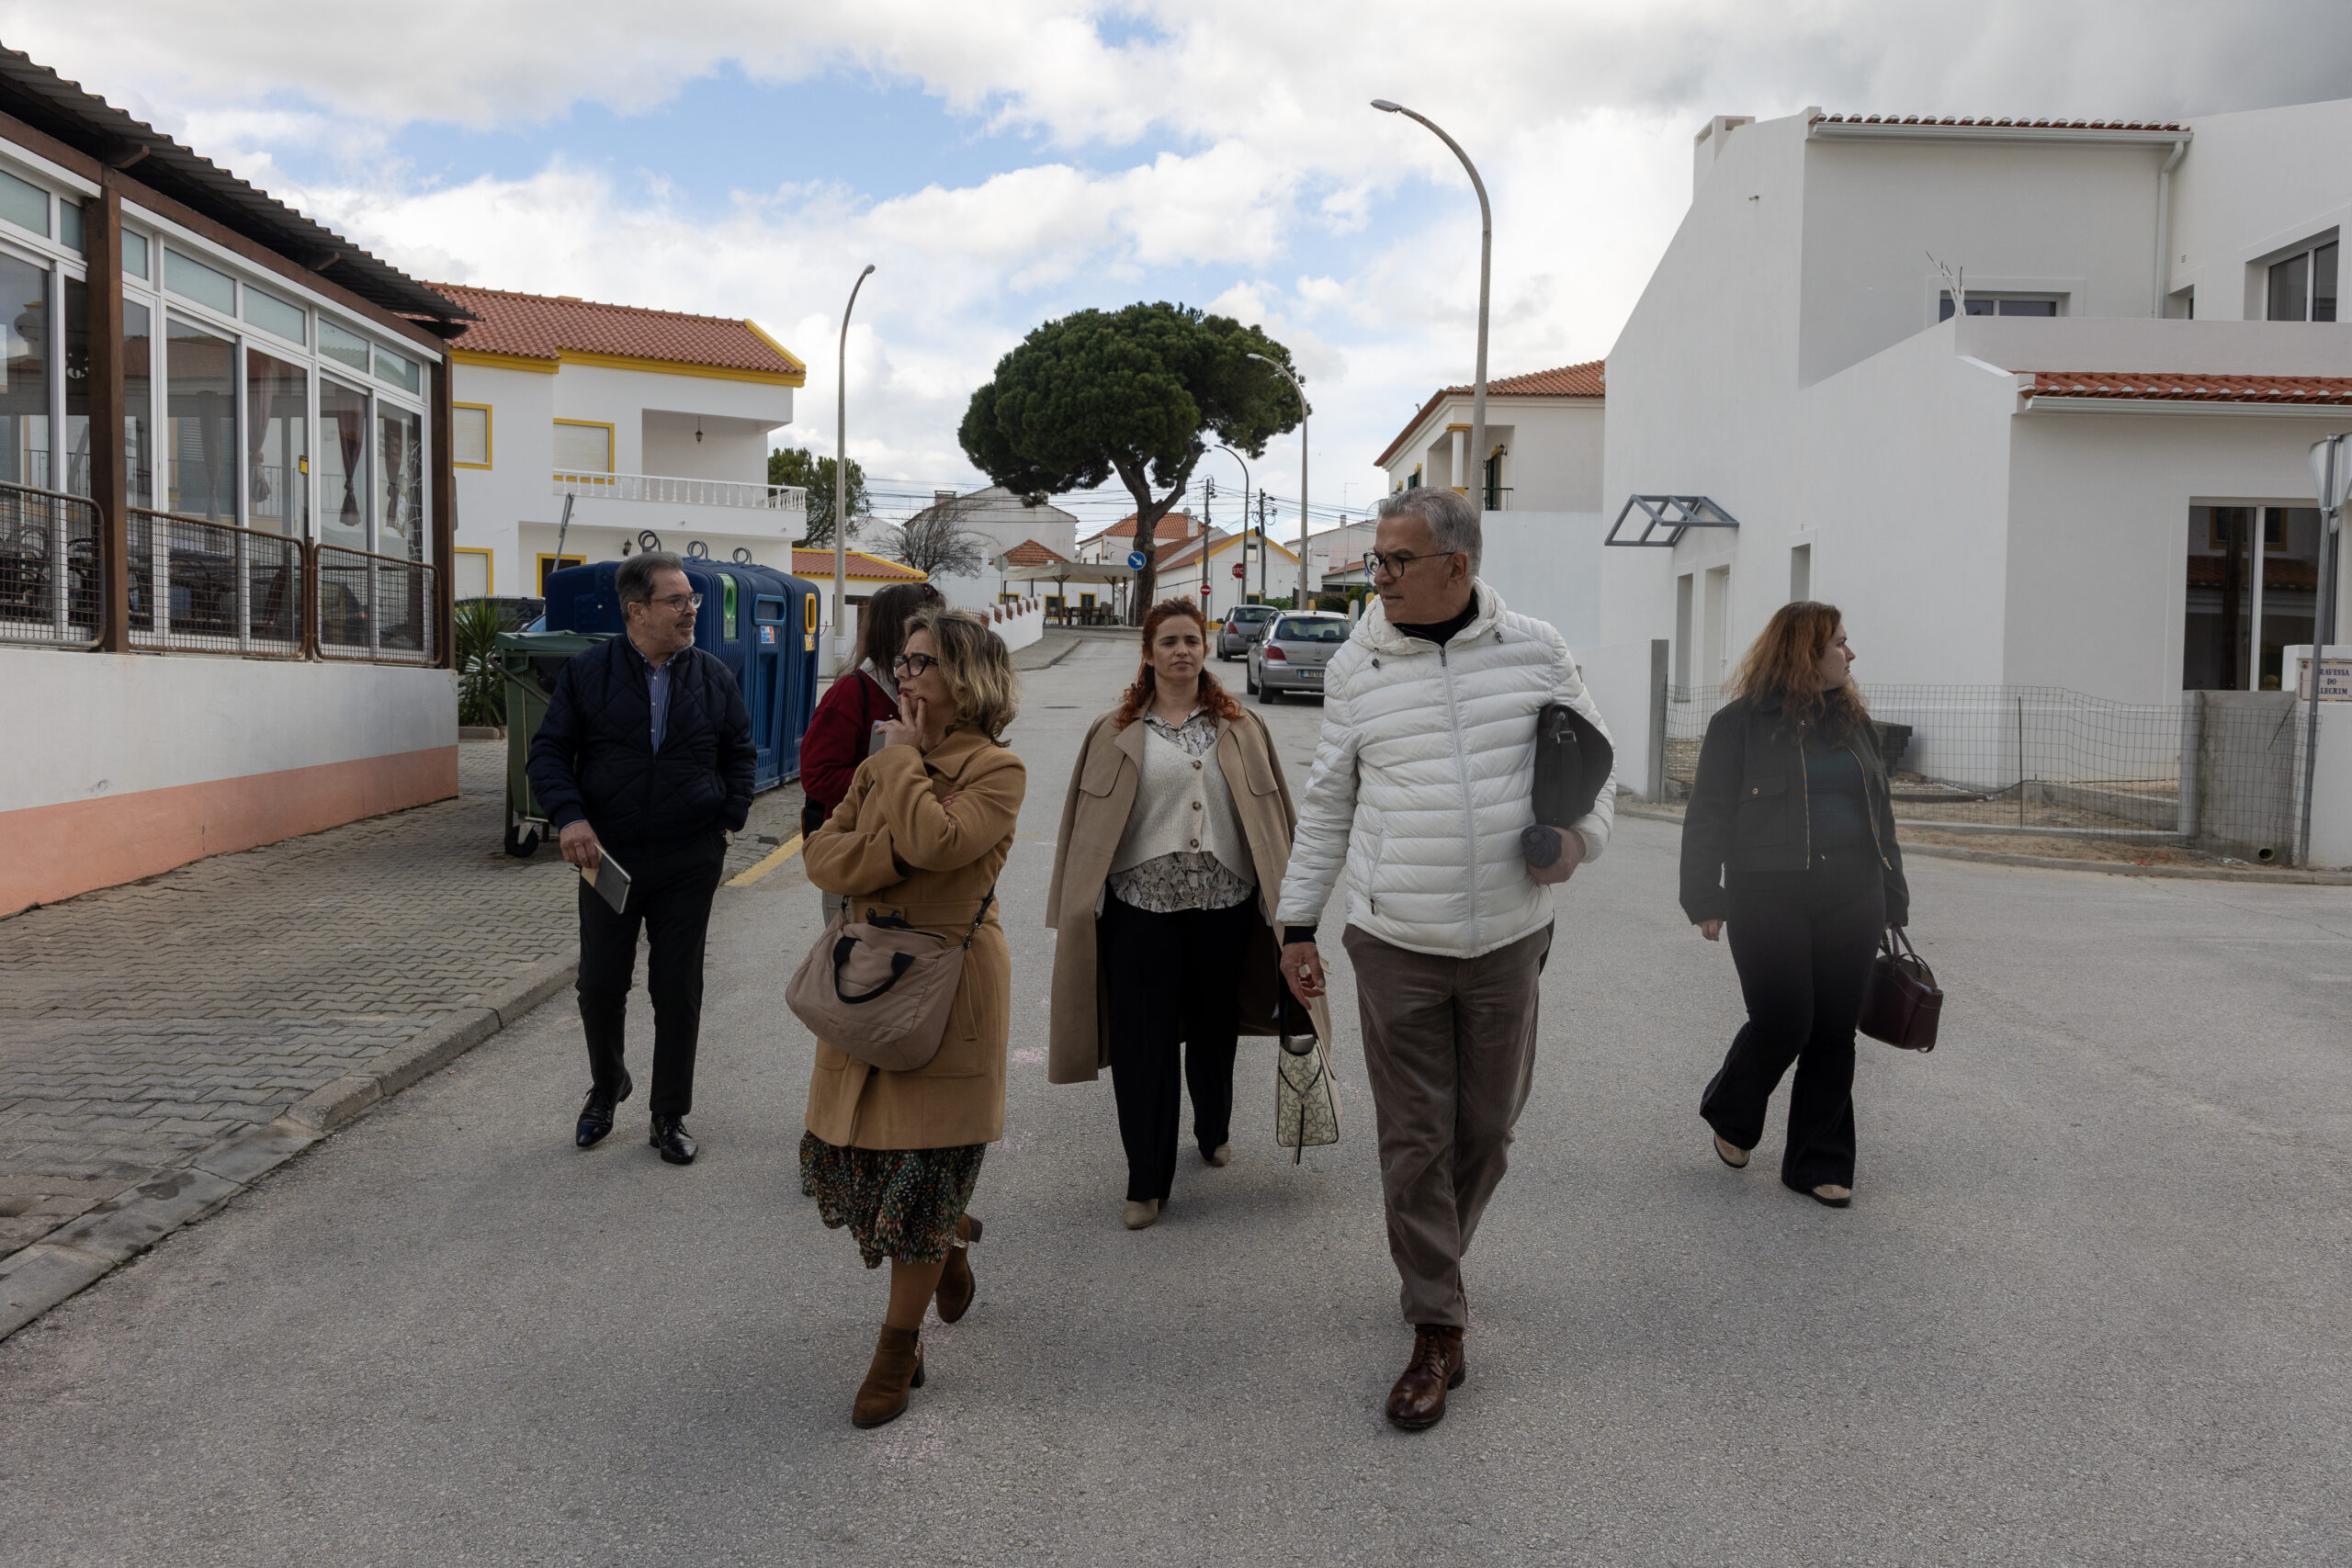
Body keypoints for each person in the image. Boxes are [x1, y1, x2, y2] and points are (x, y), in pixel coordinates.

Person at [1276, 487, 1614, 1432]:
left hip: (1509, 937)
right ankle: (1436, 1325)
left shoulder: (1536, 650)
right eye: (1375, 561)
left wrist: (1578, 841)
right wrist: (1296, 926)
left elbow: (1596, 765)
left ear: (1456, 569)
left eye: (1392, 561)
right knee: (1414, 1140)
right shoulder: (1357, 666)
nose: (1374, 576)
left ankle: (1433, 1265)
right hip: (1394, 942)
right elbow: (1330, 801)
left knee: (1488, 1133)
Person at [800, 610, 1026, 1429]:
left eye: (922, 663)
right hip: (868, 977)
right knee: (861, 1169)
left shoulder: (996, 768)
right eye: (902, 661)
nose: (905, 676)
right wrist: (894, 846)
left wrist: (898, 771)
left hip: (949, 986)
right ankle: (948, 1244)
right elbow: (823, 855)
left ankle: (898, 1347)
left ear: (964, 679)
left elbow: (941, 842)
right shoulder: (884, 758)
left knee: (924, 1176)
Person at [1045, 598, 1298, 1230]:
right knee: (1143, 1046)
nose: (1181, 650)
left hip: (1224, 907)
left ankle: (1213, 1129)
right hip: (1141, 910)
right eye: (1169, 642)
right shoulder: (1113, 731)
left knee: (1213, 1034)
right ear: (1150, 653)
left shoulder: (1241, 727)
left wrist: (1290, 908)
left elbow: (1272, 824)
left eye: (1191, 639)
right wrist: (1078, 906)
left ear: (1205, 649)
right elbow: (1085, 829)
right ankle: (1146, 1179)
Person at [1679, 602, 1909, 1210]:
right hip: (1766, 895)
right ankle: (1733, 1111)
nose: (1850, 653)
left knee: (1835, 1030)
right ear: (1804, 654)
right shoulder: (1738, 725)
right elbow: (1707, 815)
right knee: (1784, 1020)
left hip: (1854, 893)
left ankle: (1819, 1162)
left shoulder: (1853, 721)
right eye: (1839, 642)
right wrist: (1704, 894)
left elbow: (1880, 813)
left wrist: (1894, 898)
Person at [527, 551, 753, 1165]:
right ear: (637, 610)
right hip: (609, 858)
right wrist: (570, 816)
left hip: (688, 859)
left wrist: (726, 823)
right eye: (677, 601)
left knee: (677, 987)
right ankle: (607, 1087)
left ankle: (668, 1113)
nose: (690, 612)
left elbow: (740, 752)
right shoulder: (587, 674)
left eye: (692, 601)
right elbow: (548, 753)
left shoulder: (713, 676)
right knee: (600, 984)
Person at [798, 581, 947, 839]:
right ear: (902, 630)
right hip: (859, 840)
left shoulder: (935, 687)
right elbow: (818, 777)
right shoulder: (852, 692)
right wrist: (890, 769)